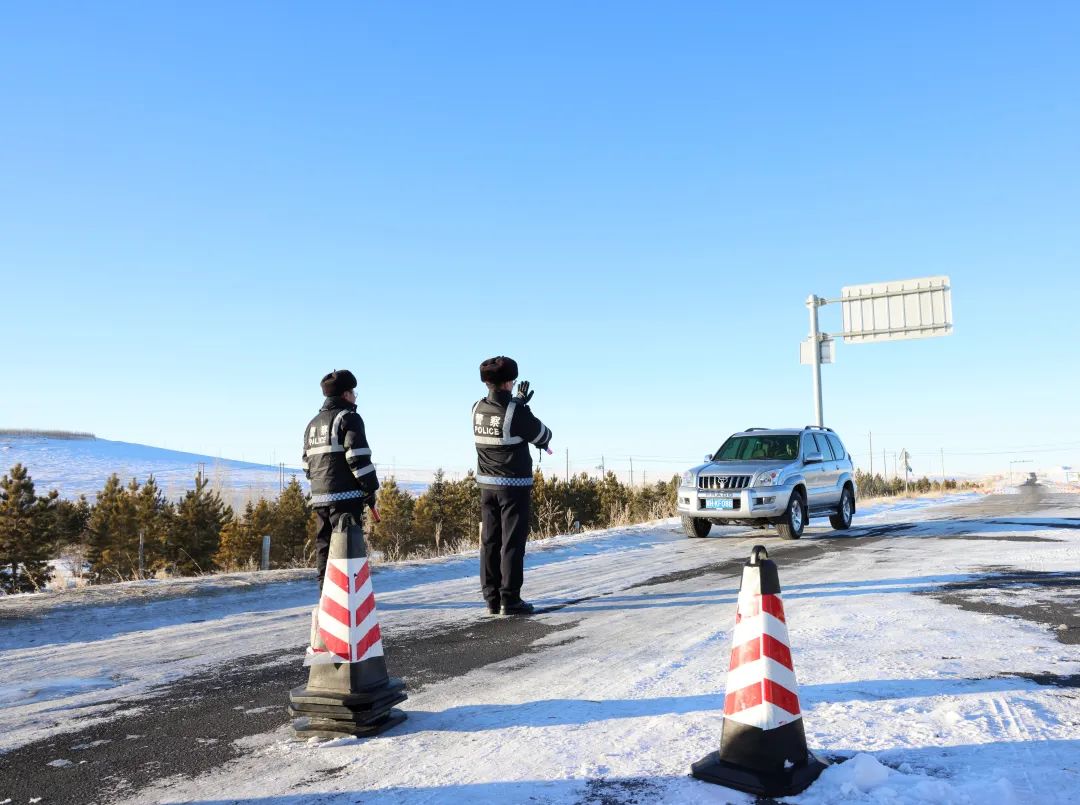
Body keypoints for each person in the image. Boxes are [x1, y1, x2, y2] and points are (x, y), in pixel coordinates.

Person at [473, 356, 553, 615]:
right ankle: (511, 599)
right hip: (514, 486)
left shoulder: (476, 408)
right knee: (512, 542)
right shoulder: (516, 412)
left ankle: (491, 598)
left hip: (486, 486)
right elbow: (543, 434)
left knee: (489, 541)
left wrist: (515, 402)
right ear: (509, 382)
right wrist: (521, 405)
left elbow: (498, 414)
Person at [302, 369, 379, 590]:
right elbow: (358, 457)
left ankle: (325, 594)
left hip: (319, 498)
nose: (355, 397)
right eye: (354, 393)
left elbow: (306, 464)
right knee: (347, 546)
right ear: (346, 394)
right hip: (347, 498)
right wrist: (369, 489)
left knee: (324, 546)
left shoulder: (313, 424)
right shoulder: (348, 418)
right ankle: (348, 595)